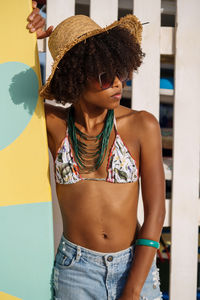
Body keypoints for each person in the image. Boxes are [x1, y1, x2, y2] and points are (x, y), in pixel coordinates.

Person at [28, 3, 165, 300]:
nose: (117, 82)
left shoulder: (142, 125)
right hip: (76, 271)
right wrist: (26, 41)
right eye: (105, 75)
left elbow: (155, 213)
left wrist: (132, 289)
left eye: (121, 71)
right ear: (74, 76)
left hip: (134, 267)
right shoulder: (53, 124)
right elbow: (8, 93)